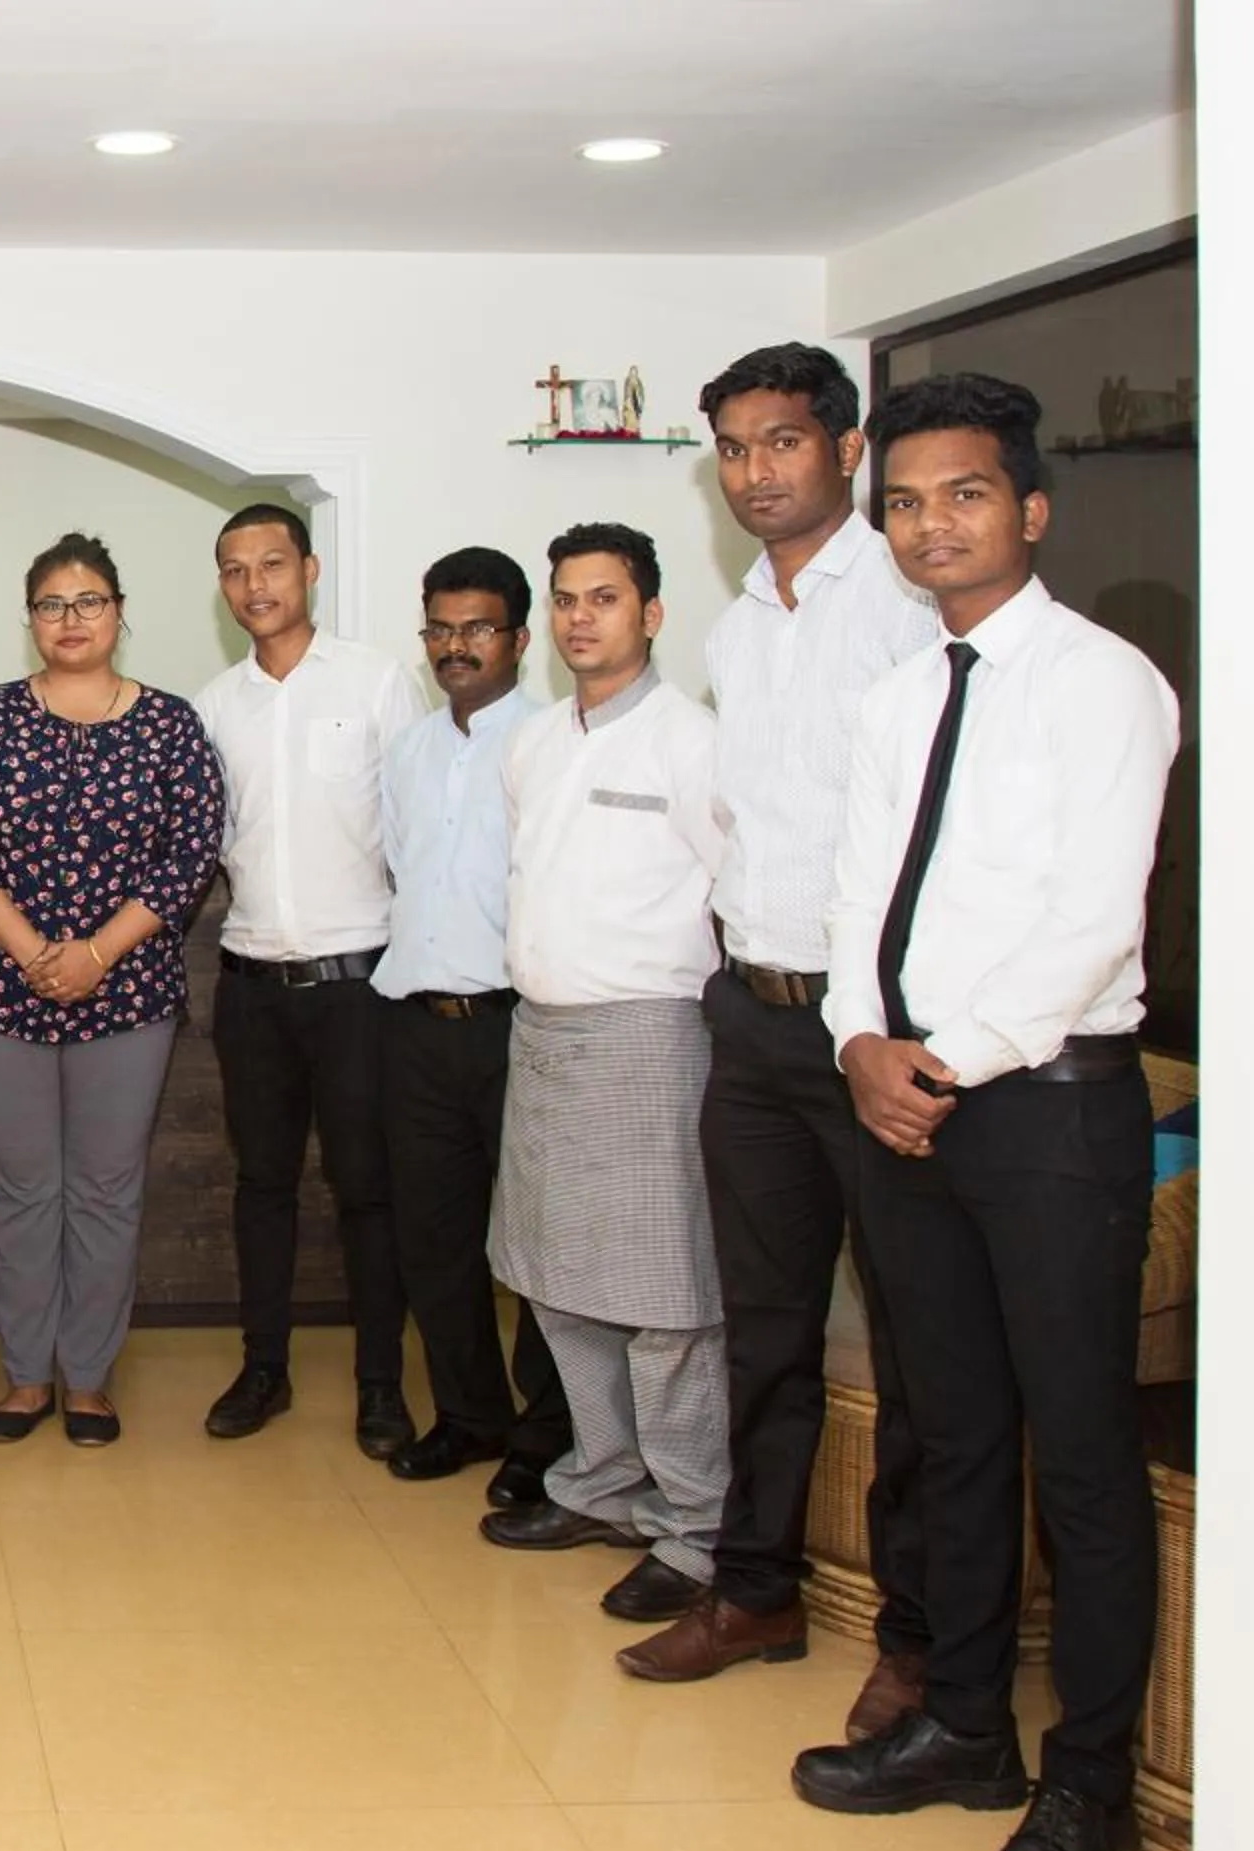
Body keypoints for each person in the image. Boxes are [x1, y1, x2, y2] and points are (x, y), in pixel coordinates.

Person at [791, 374, 1178, 1851]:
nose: (928, 524)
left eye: (961, 496)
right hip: (901, 1103)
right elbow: (855, 904)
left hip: (1047, 1108)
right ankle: (965, 1725)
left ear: (1030, 509)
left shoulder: (1106, 685)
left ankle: (1090, 1789)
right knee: (945, 1429)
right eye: (904, 502)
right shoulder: (895, 702)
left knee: (1079, 1452)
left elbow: (1092, 918)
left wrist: (946, 1058)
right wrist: (860, 1045)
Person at [618, 345, 944, 1715]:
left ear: (846, 449)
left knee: (926, 1349)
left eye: (785, 443)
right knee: (766, 1329)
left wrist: (884, 1019)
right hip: (751, 1018)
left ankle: (922, 1639)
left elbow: (927, 837)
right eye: (737, 451)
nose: (759, 472)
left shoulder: (913, 608)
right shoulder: (740, 628)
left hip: (874, 1029)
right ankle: (754, 1592)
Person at [479, 523, 730, 1635]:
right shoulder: (535, 743)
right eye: (568, 600)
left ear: (652, 614)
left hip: (648, 1037)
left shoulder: (693, 742)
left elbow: (738, 889)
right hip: (544, 1030)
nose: (583, 618)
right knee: (557, 1278)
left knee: (664, 1300)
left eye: (607, 599)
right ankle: (601, 1483)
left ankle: (695, 1528)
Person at [0, 533, 224, 1444]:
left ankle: (87, 1376)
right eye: (52, 604)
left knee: (104, 1187)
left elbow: (191, 854)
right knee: (21, 1187)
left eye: (89, 601)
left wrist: (96, 953)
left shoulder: (170, 723)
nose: (71, 619)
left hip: (127, 992)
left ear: (121, 612)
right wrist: (32, 951)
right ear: (30, 620)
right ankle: (26, 1377)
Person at [192, 503, 428, 1456]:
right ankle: (263, 1370)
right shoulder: (211, 706)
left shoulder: (377, 683)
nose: (257, 585)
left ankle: (380, 1385)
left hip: (361, 982)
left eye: (273, 564)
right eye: (237, 570)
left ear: (310, 569)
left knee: (368, 1189)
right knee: (262, 1186)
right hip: (251, 981)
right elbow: (201, 849)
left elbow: (416, 834)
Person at [371, 547, 569, 1504]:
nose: (456, 647)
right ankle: (467, 1415)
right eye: (441, 629)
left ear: (520, 639)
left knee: (533, 1242)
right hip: (414, 1023)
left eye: (477, 628)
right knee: (434, 1235)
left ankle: (547, 1435)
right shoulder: (406, 750)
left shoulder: (551, 741)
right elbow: (404, 874)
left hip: (516, 1025)